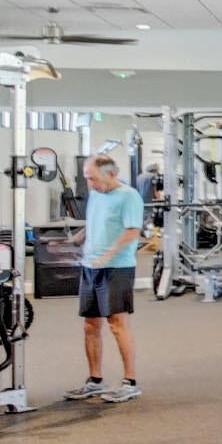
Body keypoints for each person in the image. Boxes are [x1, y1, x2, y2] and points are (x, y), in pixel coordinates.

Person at [70, 154, 147, 404]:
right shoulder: (96, 194)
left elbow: (133, 231)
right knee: (90, 325)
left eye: (93, 178)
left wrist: (109, 254)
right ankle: (95, 380)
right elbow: (97, 221)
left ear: (111, 174)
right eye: (87, 178)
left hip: (116, 267)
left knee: (117, 324)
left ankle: (130, 382)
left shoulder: (129, 196)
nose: (90, 184)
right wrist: (80, 236)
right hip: (90, 266)